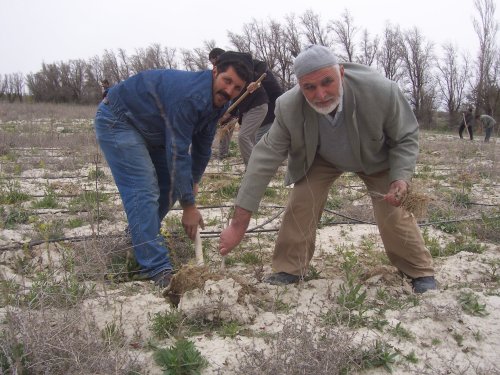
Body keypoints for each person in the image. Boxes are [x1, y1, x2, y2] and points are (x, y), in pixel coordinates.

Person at [219, 44, 437, 294]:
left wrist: (400, 178)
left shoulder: (381, 91)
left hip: (375, 157)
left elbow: (405, 137)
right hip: (321, 157)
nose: (320, 94)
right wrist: (238, 224)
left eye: (327, 82)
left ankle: (417, 269)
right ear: (300, 86)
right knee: (301, 202)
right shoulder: (288, 106)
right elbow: (263, 158)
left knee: (393, 209)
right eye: (309, 87)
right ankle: (289, 268)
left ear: (341, 74)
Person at [94, 51, 253, 288]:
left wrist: (193, 181)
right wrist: (188, 207)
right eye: (226, 81)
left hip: (154, 130)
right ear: (215, 71)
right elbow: (177, 151)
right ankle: (156, 267)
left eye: (237, 88)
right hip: (120, 120)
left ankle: (138, 236)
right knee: (144, 188)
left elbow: (202, 147)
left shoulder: (220, 102)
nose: (229, 91)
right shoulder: (190, 97)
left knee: (171, 185)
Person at [209, 48, 283, 165]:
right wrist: (227, 114)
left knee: (246, 137)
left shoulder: (241, 64)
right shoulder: (229, 78)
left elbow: (262, 66)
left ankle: (256, 166)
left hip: (269, 100)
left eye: (216, 62)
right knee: (253, 139)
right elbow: (234, 98)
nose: (215, 66)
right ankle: (259, 164)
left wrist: (255, 82)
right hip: (251, 106)